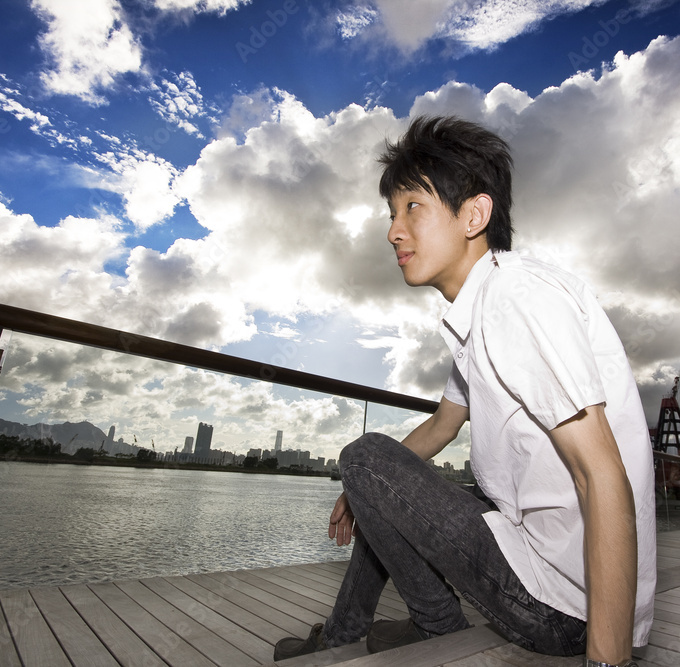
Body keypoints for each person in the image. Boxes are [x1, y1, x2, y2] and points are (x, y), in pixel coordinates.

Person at [273, 116, 655, 667]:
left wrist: (607, 661)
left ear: (474, 216)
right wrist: (363, 490)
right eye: (391, 214)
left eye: (412, 208)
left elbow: (602, 474)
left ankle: (430, 625)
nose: (393, 231)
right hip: (534, 557)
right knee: (375, 468)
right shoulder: (484, 310)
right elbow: (441, 425)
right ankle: (355, 633)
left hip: (566, 610)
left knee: (363, 453)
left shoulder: (514, 299)